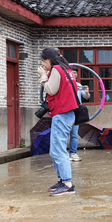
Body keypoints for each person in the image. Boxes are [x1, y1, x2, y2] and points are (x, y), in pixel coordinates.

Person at [37, 47, 79, 196]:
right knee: (55, 150)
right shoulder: (66, 69)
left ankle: (67, 184)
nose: (43, 64)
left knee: (59, 150)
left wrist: (43, 76)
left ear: (49, 60)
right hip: (66, 114)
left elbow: (50, 89)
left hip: (62, 114)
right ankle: (62, 180)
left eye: (43, 61)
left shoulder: (56, 69)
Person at [67, 70, 90, 162]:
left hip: (76, 111)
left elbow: (87, 97)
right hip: (66, 111)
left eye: (76, 72)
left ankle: (73, 153)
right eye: (72, 72)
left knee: (74, 134)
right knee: (64, 134)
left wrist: (87, 92)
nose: (74, 74)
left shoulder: (78, 85)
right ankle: (63, 154)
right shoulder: (66, 84)